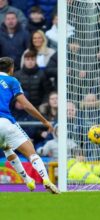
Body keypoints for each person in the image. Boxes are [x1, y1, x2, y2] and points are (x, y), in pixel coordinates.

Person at [0, 57, 59, 194]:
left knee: (7, 148)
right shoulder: (11, 80)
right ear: (11, 69)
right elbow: (26, 105)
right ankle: (46, 180)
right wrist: (44, 120)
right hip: (5, 122)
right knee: (31, 153)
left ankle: (28, 180)